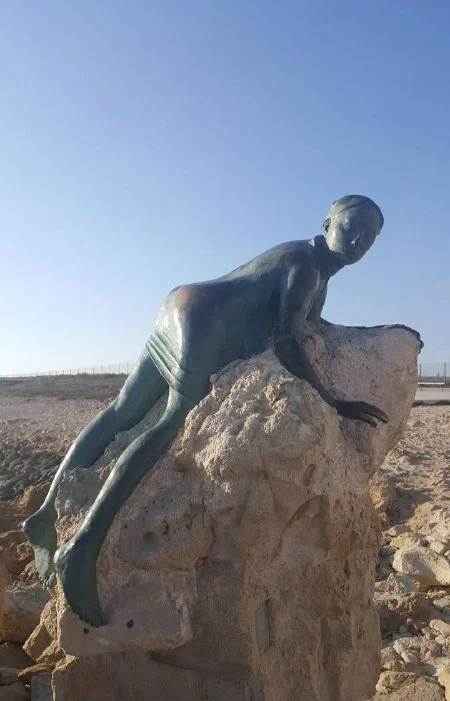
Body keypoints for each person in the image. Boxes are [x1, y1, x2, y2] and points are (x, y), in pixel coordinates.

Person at [24, 194, 387, 626]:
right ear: (328, 224)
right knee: (168, 425)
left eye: (369, 236)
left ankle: (45, 517)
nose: (359, 241)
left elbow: (311, 323)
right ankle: (81, 549)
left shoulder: (311, 265)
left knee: (121, 411)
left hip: (181, 302)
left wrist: (374, 333)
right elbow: (288, 340)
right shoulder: (306, 266)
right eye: (351, 227)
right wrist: (333, 401)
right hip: (202, 324)